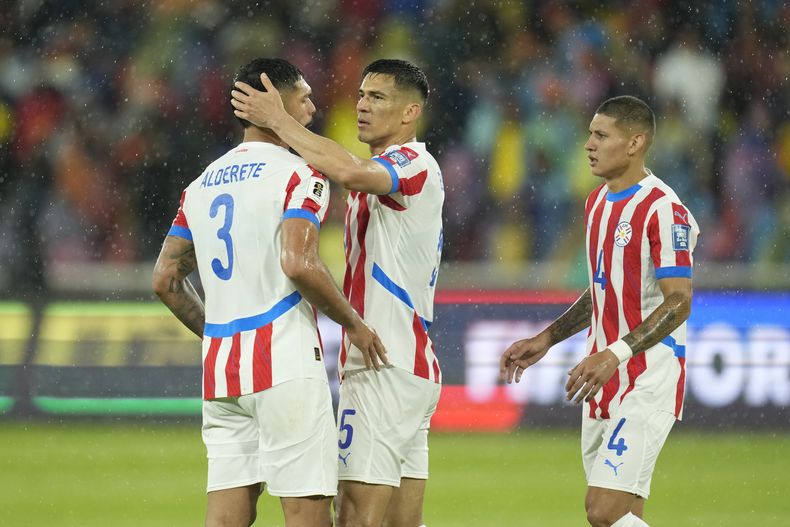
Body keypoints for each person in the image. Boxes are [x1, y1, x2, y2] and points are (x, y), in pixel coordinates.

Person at [152, 58, 385, 527]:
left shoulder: (199, 185)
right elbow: (298, 263)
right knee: (306, 511)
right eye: (304, 98)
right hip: (284, 362)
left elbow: (165, 278)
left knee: (225, 518)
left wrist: (217, 333)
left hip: (222, 370)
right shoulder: (301, 174)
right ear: (272, 101)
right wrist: (354, 324)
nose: (313, 109)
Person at [231, 58, 444, 527]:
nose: (362, 106)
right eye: (362, 95)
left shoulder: (413, 162)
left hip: (382, 365)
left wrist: (278, 120)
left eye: (378, 97)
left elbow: (349, 172)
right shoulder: (384, 170)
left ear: (410, 112)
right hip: (407, 365)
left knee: (353, 518)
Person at [500, 95, 699, 527]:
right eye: (590, 134)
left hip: (648, 376)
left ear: (635, 143)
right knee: (621, 515)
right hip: (602, 377)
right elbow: (603, 290)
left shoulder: (664, 209)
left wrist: (615, 354)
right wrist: (547, 338)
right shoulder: (596, 204)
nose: (589, 144)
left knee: (602, 511)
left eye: (601, 135)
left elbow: (680, 300)